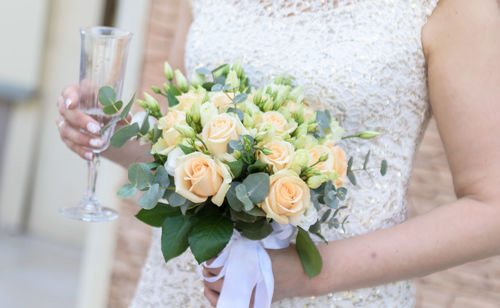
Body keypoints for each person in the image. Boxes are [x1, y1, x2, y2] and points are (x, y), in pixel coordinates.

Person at [56, 0, 500, 307]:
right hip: (183, 289)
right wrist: (109, 132)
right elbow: (180, 145)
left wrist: (306, 274)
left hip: (338, 296)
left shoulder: (449, 8)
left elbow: (490, 208)